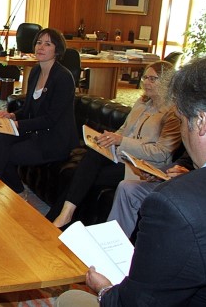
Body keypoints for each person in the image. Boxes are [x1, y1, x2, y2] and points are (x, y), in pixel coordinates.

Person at [56, 50, 206, 306]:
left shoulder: (176, 204)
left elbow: (137, 302)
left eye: (183, 121)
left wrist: (105, 290)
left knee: (69, 299)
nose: (182, 132)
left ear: (202, 122)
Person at [49, 61, 182, 228]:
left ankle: (57, 219)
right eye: (145, 77)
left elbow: (161, 154)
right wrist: (111, 137)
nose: (147, 82)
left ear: (167, 82)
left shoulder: (173, 114)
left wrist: (121, 141)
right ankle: (64, 216)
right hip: (122, 156)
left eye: (153, 79)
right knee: (92, 156)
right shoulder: (142, 102)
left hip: (144, 168)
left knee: (83, 177)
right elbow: (124, 129)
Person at [0, 28, 78, 194]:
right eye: (38, 43)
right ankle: (13, 189)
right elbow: (28, 109)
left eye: (47, 44)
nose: (40, 47)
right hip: (36, 132)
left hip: (53, 139)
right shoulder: (35, 71)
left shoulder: (63, 78)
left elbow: (50, 119)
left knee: (3, 153)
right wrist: (12, 115)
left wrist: (17, 124)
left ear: (57, 50)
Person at [107, 150, 193, 238]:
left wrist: (192, 177)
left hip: (196, 188)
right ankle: (112, 241)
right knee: (127, 188)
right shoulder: (193, 144)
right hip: (177, 182)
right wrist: (158, 173)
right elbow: (185, 162)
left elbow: (163, 152)